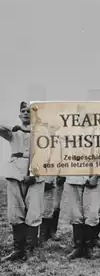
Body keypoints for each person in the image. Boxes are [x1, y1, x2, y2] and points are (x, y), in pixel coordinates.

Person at [1, 101, 46, 263]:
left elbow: (48, 154)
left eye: (30, 111)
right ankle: (17, 250)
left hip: (36, 174)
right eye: (23, 111)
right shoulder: (13, 133)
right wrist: (14, 127)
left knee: (34, 212)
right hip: (15, 174)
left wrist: (35, 173)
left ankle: (30, 250)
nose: (26, 114)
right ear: (19, 115)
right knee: (15, 212)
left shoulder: (42, 133)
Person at [65, 175, 100, 260]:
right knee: (75, 213)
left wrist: (98, 175)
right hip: (74, 177)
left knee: (92, 214)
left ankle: (89, 248)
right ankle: (78, 247)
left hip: (93, 178)